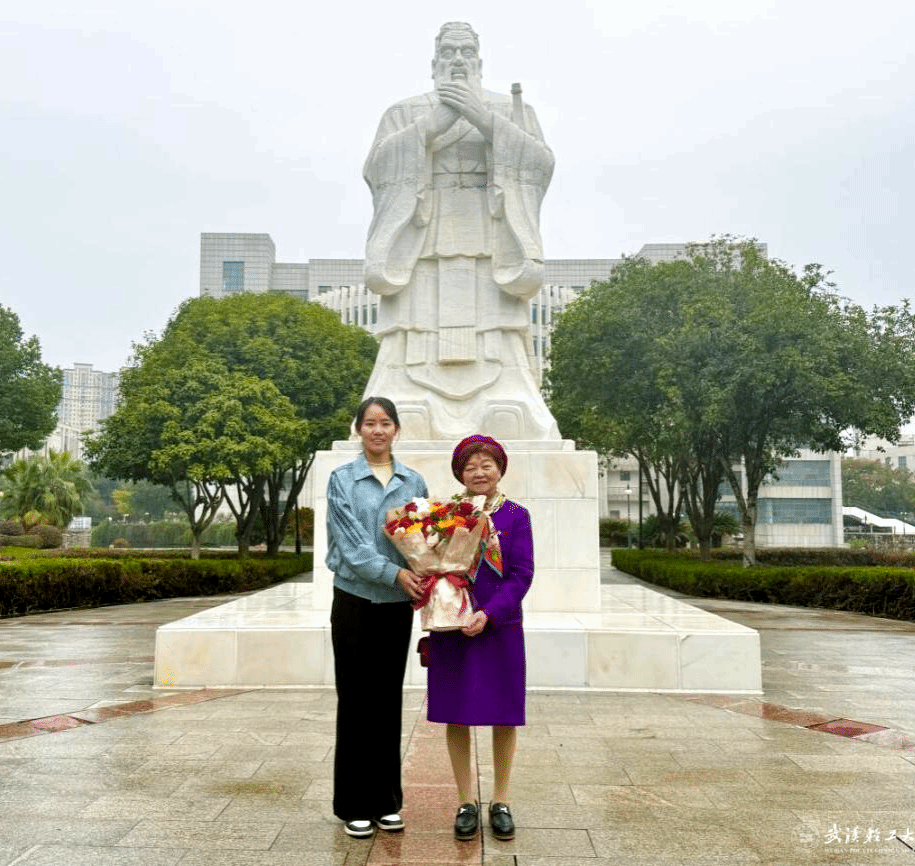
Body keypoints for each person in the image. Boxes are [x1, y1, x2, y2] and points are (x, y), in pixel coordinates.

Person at [361, 22, 560, 441]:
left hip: (490, 235)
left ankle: (506, 399)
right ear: (434, 62)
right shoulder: (403, 112)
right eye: (448, 52)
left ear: (479, 62)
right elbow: (378, 168)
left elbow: (539, 164)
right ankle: (407, 400)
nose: (457, 59)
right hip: (422, 235)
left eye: (466, 52)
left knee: (496, 327)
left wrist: (486, 121)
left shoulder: (511, 110)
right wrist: (428, 128)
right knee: (413, 327)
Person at [325, 397, 429, 839]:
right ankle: (353, 804)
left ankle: (386, 801)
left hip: (396, 606)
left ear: (396, 430)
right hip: (354, 600)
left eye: (385, 423)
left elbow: (424, 537)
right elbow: (351, 546)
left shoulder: (413, 481)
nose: (378, 430)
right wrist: (396, 573)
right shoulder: (342, 479)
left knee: (387, 700)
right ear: (359, 430)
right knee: (355, 700)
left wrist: (428, 573)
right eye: (370, 423)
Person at [428, 434, 534, 841]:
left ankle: (500, 801)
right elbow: (434, 565)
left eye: (486, 465)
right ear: (460, 473)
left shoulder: (516, 515)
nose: (479, 472)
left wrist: (489, 613)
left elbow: (521, 573)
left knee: (504, 713)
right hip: (453, 625)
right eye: (470, 466)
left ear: (499, 469)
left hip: (499, 626)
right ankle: (465, 802)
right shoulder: (446, 514)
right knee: (456, 711)